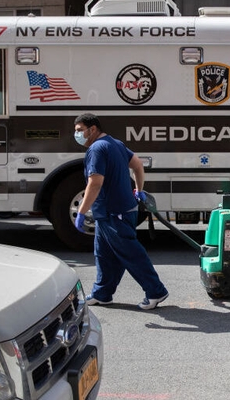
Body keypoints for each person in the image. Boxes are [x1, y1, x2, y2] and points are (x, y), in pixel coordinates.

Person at [73, 113, 168, 310]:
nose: (77, 135)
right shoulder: (115, 143)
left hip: (114, 212)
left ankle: (156, 291)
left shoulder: (97, 149)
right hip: (114, 211)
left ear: (92, 129)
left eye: (80, 131)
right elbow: (138, 165)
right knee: (104, 255)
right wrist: (139, 190)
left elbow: (95, 183)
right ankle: (103, 293)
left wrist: (81, 211)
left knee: (130, 253)